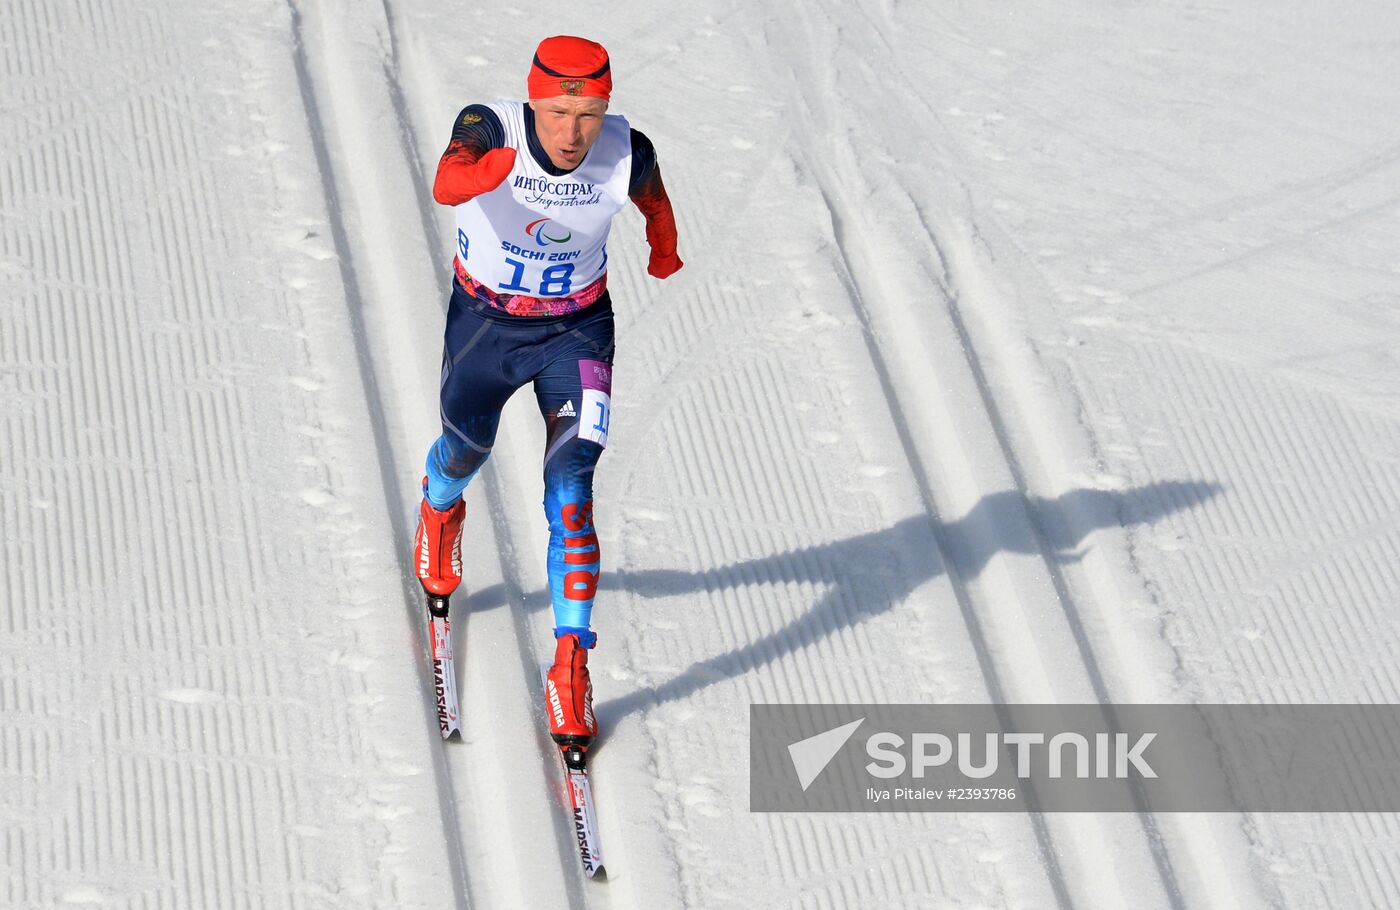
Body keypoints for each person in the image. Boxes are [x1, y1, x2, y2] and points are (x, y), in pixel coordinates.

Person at [412, 35, 682, 758]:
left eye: (590, 113)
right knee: (466, 448)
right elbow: (446, 181)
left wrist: (664, 245)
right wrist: (491, 171)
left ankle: (571, 663)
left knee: (572, 490)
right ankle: (439, 510)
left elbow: (655, 203)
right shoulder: (491, 125)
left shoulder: (628, 150)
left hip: (578, 335)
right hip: (486, 328)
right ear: (534, 100)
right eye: (560, 112)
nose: (572, 133)